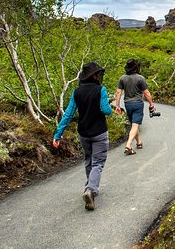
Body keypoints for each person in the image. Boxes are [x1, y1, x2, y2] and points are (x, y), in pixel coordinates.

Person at [53, 62, 112, 211]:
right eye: (97, 74)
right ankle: (90, 190)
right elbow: (106, 110)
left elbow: (68, 114)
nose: (99, 76)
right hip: (99, 132)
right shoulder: (101, 90)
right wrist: (109, 104)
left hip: (83, 133)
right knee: (98, 163)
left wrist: (58, 134)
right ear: (94, 76)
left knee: (88, 160)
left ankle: (89, 187)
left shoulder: (77, 92)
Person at [114, 59, 155, 155]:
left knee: (134, 124)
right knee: (135, 125)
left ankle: (139, 142)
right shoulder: (140, 78)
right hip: (137, 104)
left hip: (127, 104)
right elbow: (146, 92)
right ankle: (128, 145)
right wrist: (151, 104)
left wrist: (117, 105)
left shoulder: (122, 78)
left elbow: (119, 92)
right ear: (136, 67)